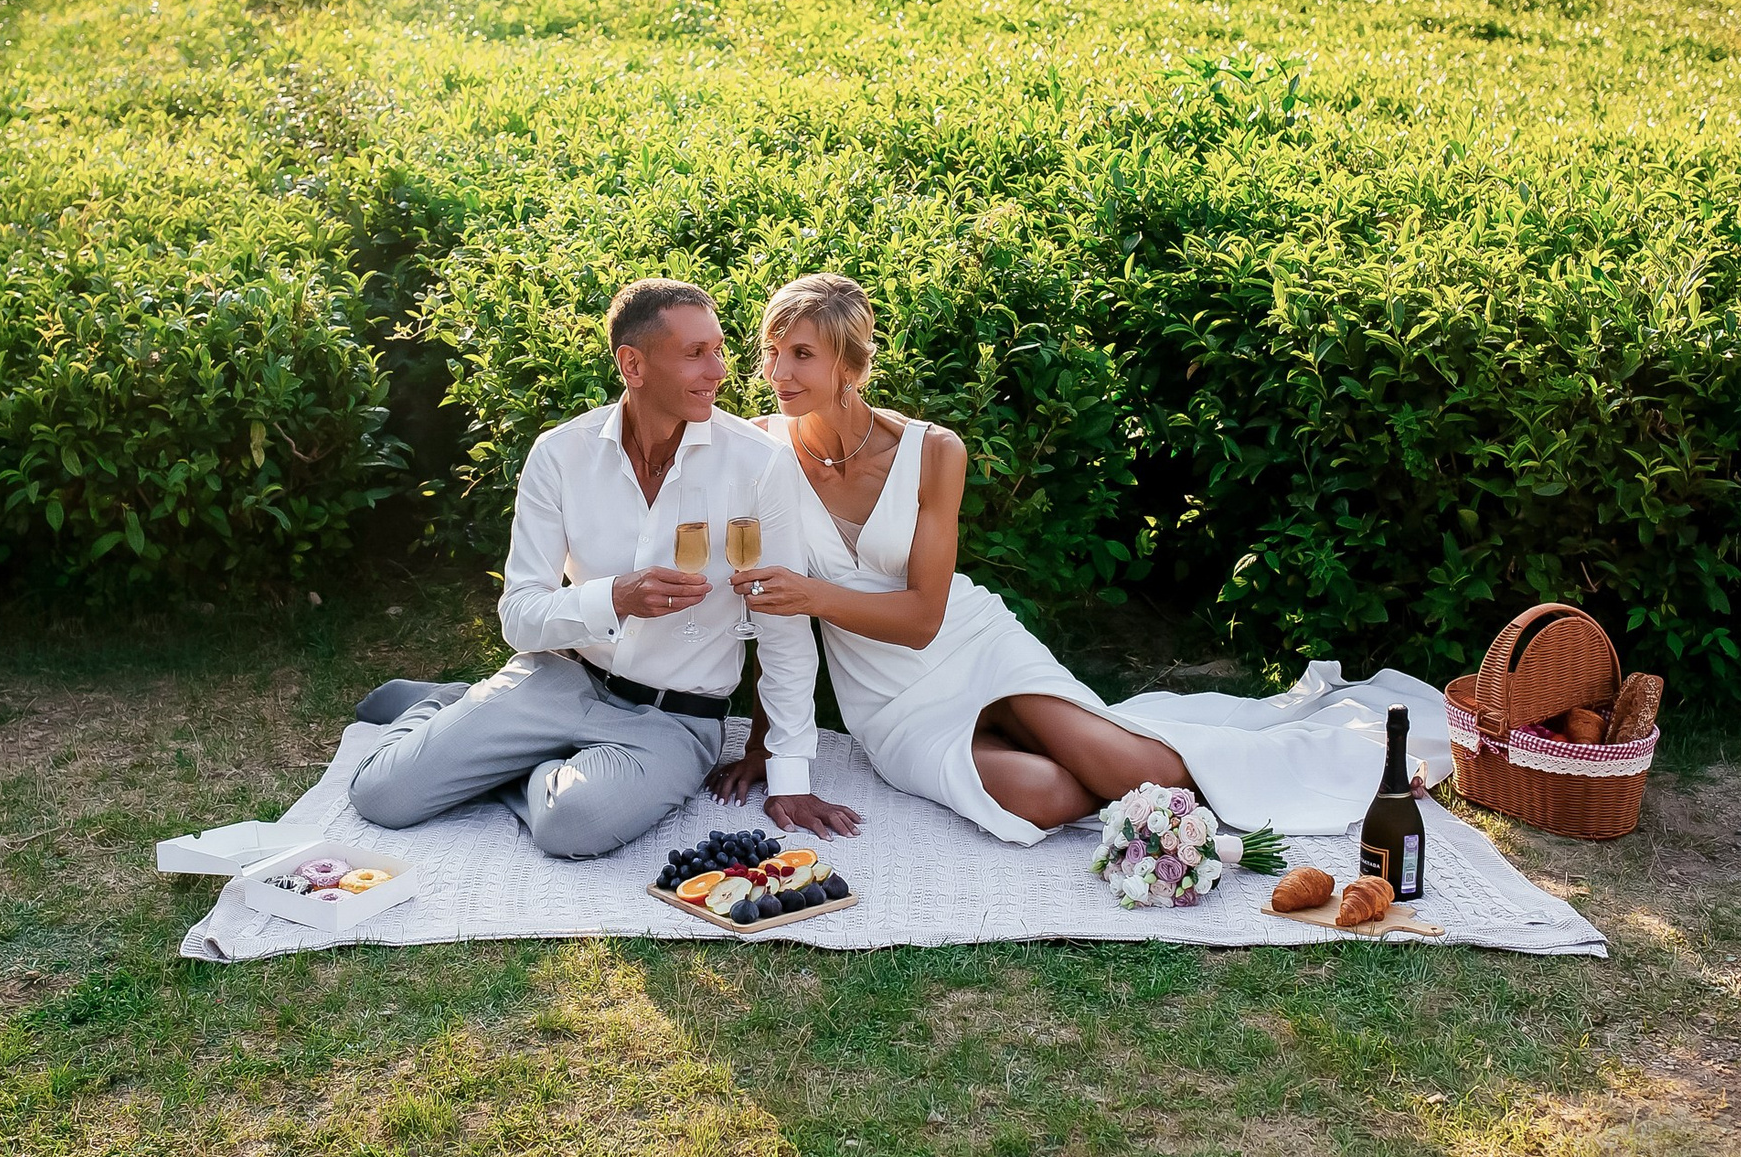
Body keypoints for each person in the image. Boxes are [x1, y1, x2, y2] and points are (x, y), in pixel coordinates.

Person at [346, 278, 863, 857]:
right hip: (559, 680)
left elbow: (782, 624)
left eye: (717, 350)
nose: (718, 371)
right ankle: (454, 709)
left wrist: (789, 776)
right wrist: (613, 598)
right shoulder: (561, 454)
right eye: (695, 355)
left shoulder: (760, 463)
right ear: (633, 365)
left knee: (572, 824)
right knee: (382, 796)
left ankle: (501, 751)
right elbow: (518, 617)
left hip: (673, 721)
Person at [715, 273, 1199, 843]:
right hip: (889, 701)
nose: (777, 373)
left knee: (1152, 777)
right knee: (1044, 797)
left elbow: (923, 620)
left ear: (849, 365)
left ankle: (1043, 726)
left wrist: (813, 595)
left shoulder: (933, 451)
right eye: (772, 352)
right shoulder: (760, 450)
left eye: (801, 354)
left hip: (973, 645)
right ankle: (1051, 745)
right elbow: (774, 617)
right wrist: (764, 750)